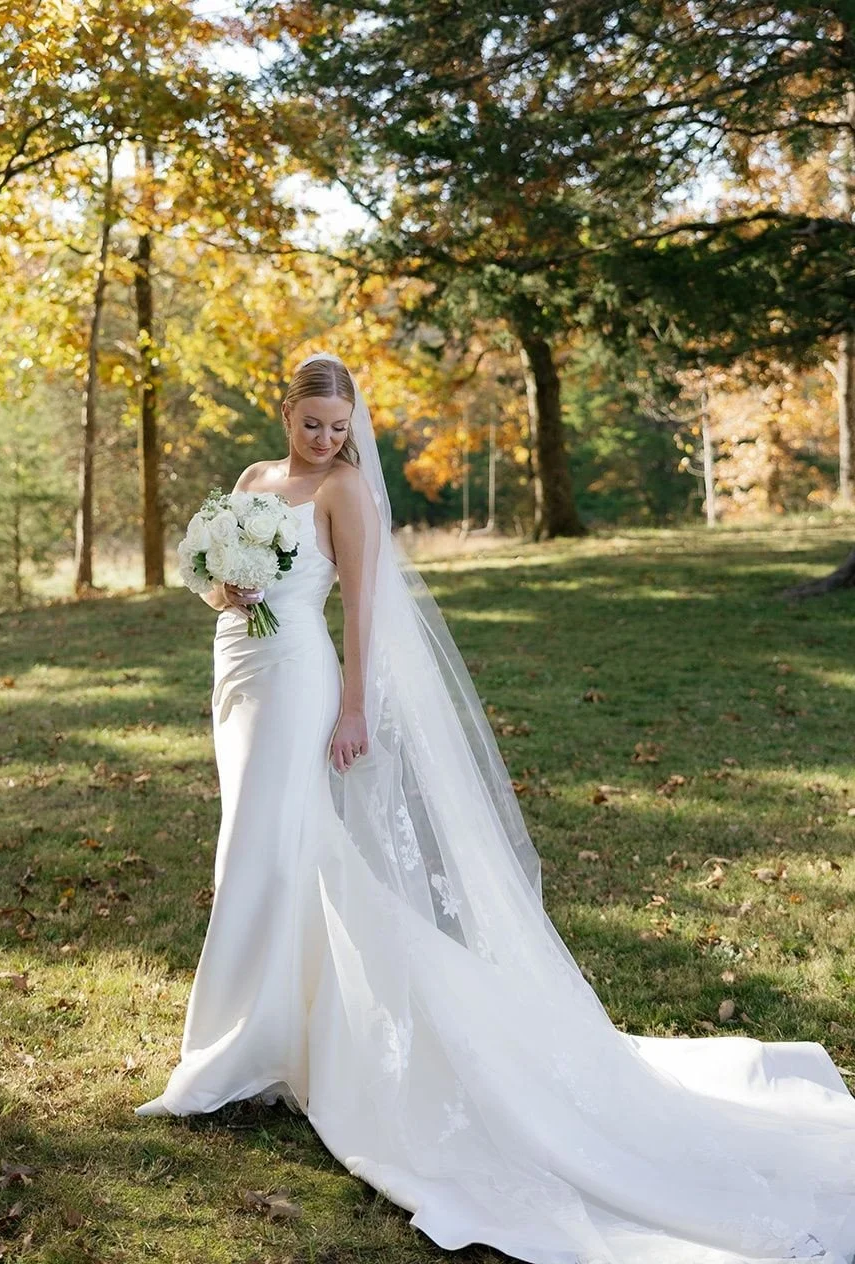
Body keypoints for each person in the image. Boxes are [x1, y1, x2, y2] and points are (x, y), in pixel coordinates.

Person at [136, 352, 855, 1264]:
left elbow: (359, 607)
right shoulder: (252, 479)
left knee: (271, 852)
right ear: (285, 412)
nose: (323, 439)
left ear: (352, 426)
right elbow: (217, 580)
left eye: (337, 426)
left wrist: (354, 707)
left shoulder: (347, 492)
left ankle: (237, 1055)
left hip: (299, 682)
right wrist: (224, 587)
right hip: (236, 672)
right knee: (260, 847)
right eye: (310, 423)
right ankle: (276, 1034)